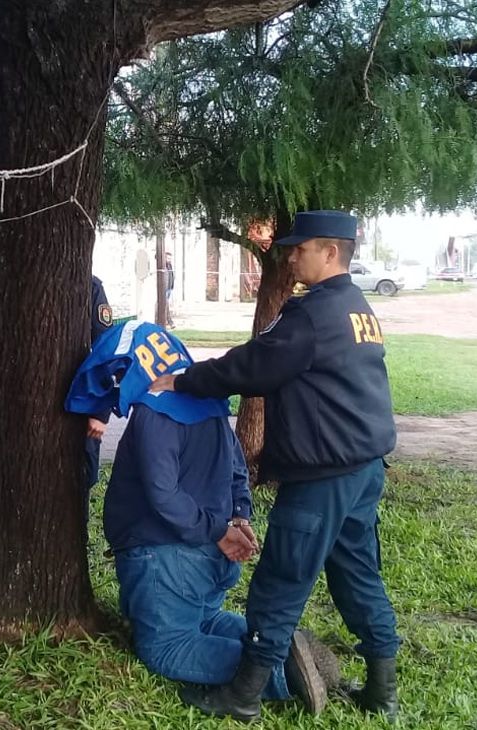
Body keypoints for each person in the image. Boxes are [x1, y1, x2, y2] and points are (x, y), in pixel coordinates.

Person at [151, 210, 400, 721]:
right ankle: (383, 690)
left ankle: (242, 696)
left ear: (329, 253)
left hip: (322, 476)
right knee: (358, 574)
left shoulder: (310, 315)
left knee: (280, 581)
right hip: (363, 469)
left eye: (300, 248)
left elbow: (254, 367)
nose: (290, 256)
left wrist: (185, 381)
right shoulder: (359, 309)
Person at [66, 321, 327, 712]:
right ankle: (279, 644)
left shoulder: (155, 410)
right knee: (205, 620)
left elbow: (162, 493)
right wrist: (238, 518)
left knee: (165, 647)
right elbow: (238, 469)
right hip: (207, 559)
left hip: (166, 556)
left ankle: (281, 674)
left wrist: (218, 529)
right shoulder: (209, 401)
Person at [82, 275, 112, 507]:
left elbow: (105, 349)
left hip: (82, 403)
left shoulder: (89, 285)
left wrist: (100, 412)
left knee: (82, 476)